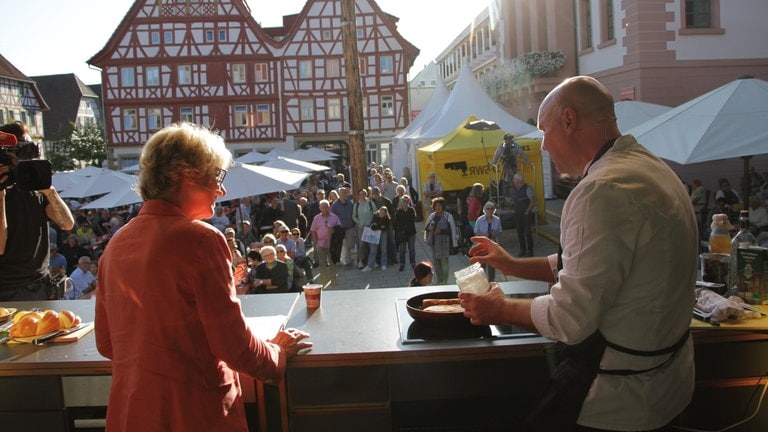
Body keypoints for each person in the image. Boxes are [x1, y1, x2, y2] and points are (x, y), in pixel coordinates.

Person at [460, 76, 697, 431]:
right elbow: (590, 263)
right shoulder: (650, 166)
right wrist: (510, 264)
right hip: (668, 385)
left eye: (545, 131)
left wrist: (500, 308)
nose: (542, 146)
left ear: (569, 121)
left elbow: (568, 320)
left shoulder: (600, 189)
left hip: (621, 402)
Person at [95, 123, 311, 431]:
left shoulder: (117, 242)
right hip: (193, 411)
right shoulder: (201, 239)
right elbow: (233, 346)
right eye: (217, 176)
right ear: (187, 174)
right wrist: (277, 353)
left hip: (133, 411)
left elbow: (107, 342)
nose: (222, 190)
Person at [0, 128, 75, 301]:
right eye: (22, 150)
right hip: (7, 290)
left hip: (40, 285)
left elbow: (67, 224)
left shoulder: (33, 185)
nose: (29, 156)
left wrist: (49, 191)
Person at [423, 197, 458, 285]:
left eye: (439, 206)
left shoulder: (448, 216)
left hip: (444, 243)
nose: (438, 207)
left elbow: (452, 230)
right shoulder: (432, 216)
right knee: (436, 263)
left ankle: (445, 281)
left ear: (443, 206)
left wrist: (441, 231)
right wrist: (429, 228)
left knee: (444, 263)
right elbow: (426, 228)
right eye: (436, 206)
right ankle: (439, 280)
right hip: (434, 243)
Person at [310, 199, 341, 287]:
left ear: (329, 207)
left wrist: (333, 230)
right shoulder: (316, 218)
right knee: (322, 263)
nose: (324, 208)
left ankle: (333, 281)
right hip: (321, 244)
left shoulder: (334, 217)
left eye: (326, 207)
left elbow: (340, 229)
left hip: (332, 245)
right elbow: (313, 230)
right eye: (322, 207)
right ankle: (323, 281)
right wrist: (316, 242)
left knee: (332, 263)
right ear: (320, 208)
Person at [492, 133, 531, 197]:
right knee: (507, 181)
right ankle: (507, 198)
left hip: (512, 165)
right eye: (507, 139)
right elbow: (497, 154)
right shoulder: (502, 145)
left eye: (509, 139)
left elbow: (521, 152)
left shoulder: (514, 145)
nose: (508, 140)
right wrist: (494, 162)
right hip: (506, 165)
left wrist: (527, 160)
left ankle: (514, 196)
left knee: (513, 181)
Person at [473, 201, 502, 282]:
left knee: (492, 265)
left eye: (492, 209)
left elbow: (500, 231)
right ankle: (482, 282)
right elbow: (476, 232)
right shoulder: (480, 220)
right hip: (483, 245)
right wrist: (483, 234)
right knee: (482, 265)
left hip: (493, 245)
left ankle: (491, 281)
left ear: (494, 210)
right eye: (488, 209)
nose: (490, 211)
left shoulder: (497, 219)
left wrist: (495, 233)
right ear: (484, 210)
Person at [330, 185, 355, 267]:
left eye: (345, 192)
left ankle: (347, 260)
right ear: (339, 194)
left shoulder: (350, 204)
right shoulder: (335, 205)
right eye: (342, 193)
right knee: (342, 245)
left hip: (349, 227)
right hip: (340, 229)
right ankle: (345, 261)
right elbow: (332, 217)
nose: (343, 194)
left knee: (348, 245)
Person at [511, 173, 535, 257]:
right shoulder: (516, 189)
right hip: (518, 214)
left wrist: (527, 211)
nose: (513, 181)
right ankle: (522, 249)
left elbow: (532, 201)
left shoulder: (527, 189)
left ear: (518, 181)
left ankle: (530, 250)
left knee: (527, 232)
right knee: (520, 232)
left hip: (525, 214)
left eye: (514, 179)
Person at [352, 188, 377, 269]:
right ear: (358, 195)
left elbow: (376, 213)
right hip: (361, 228)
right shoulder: (356, 205)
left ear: (366, 194)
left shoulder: (370, 203)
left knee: (371, 245)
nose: (362, 195)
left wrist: (372, 222)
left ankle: (373, 261)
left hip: (370, 227)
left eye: (363, 194)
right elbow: (353, 216)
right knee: (362, 245)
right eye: (360, 194)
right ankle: (361, 261)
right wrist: (358, 222)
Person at [361, 206, 390, 272]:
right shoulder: (375, 216)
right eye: (381, 212)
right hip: (375, 234)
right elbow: (373, 227)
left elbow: (385, 227)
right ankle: (370, 265)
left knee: (384, 249)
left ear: (385, 214)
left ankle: (384, 264)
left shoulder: (387, 218)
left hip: (383, 233)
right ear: (379, 212)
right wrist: (380, 227)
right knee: (373, 249)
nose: (382, 214)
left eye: (383, 213)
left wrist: (378, 226)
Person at [392, 194, 417, 271]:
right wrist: (399, 210)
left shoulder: (411, 210)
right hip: (402, 233)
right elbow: (396, 222)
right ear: (401, 202)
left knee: (411, 249)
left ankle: (413, 263)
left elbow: (412, 219)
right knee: (402, 250)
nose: (405, 202)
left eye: (407, 201)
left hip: (411, 232)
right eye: (404, 201)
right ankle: (402, 264)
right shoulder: (399, 211)